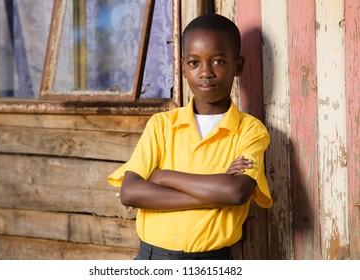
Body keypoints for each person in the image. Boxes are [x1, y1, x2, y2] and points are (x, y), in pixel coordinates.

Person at [107, 13, 272, 260]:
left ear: (238, 66)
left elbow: (236, 193)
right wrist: (215, 193)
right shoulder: (162, 125)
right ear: (183, 67)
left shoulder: (250, 130)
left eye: (218, 61)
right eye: (194, 63)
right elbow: (131, 193)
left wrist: (163, 176)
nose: (205, 72)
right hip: (151, 259)